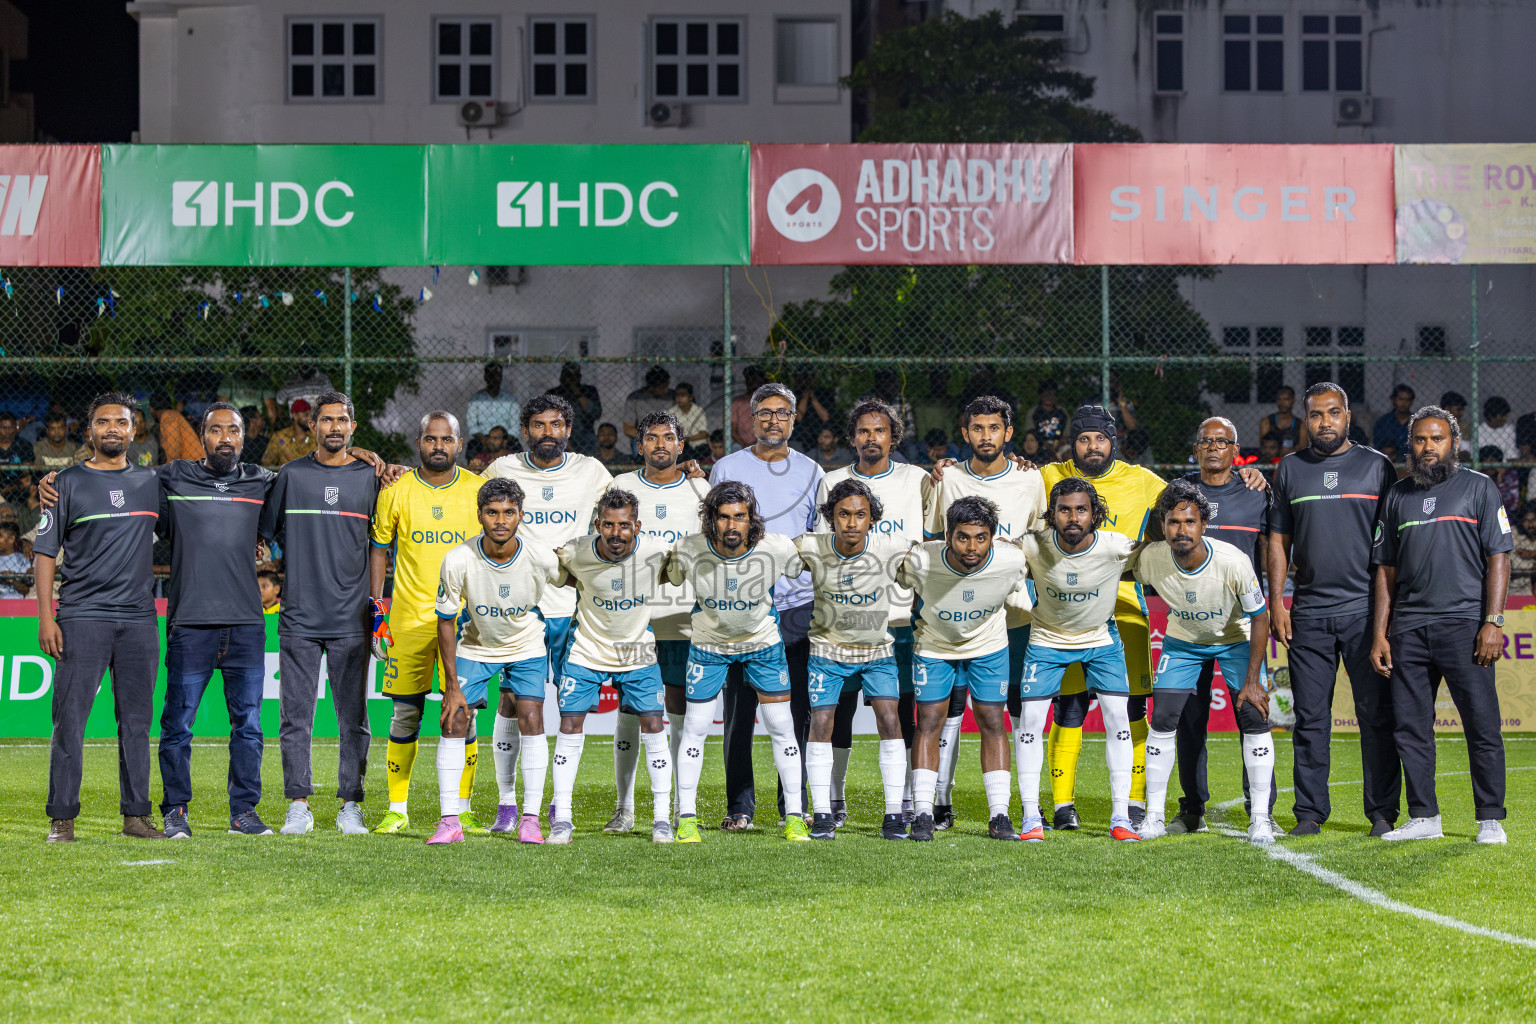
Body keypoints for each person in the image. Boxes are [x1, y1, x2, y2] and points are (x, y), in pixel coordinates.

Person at [1370, 406, 1512, 844]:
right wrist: (1380, 632)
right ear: (1409, 444)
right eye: (1419, 440)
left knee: (1481, 723)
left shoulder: (1479, 488)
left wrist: (1493, 621)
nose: (1427, 447)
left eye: (1437, 439)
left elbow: (1499, 556)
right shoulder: (1397, 495)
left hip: (1465, 625)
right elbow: (1385, 571)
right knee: (1411, 727)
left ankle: (1490, 818)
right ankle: (1424, 817)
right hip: (1409, 629)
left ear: (1454, 442)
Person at [1268, 381, 1401, 837]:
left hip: (1366, 612)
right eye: (1316, 415)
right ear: (1306, 420)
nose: (1324, 422)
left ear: (1348, 417)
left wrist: (1387, 616)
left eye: (1333, 413)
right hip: (1307, 613)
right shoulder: (1289, 469)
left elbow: (1392, 546)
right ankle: (1309, 813)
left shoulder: (1377, 467)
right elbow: (1278, 541)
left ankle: (1382, 814)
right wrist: (1278, 602)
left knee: (1376, 716)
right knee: (1309, 718)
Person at [149, 404, 284, 839]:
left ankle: (243, 812)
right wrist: (58, 477)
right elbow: (121, 478)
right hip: (190, 623)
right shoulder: (173, 477)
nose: (225, 437)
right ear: (202, 437)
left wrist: (368, 457)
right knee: (177, 724)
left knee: (248, 724)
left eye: (233, 430)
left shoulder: (262, 482)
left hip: (246, 623)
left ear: (244, 437)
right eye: (215, 430)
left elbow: (312, 478)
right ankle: (175, 811)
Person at [480, 395, 613, 830]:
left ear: (568, 430)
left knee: (570, 707)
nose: (548, 432)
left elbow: (623, 512)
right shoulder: (501, 470)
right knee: (512, 702)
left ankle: (560, 803)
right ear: (525, 430)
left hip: (576, 608)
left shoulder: (591, 471)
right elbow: (467, 496)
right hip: (521, 609)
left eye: (556, 425)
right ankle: (505, 804)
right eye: (539, 425)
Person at [37, 393, 163, 843]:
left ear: (134, 430)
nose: (113, 428)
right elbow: (46, 552)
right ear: (89, 430)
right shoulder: (64, 483)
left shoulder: (153, 482)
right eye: (103, 421)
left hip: (139, 620)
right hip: (81, 617)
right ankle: (62, 819)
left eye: (122, 422)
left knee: (135, 722)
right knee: (69, 718)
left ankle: (136, 817)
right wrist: (46, 616)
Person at [260, 391, 381, 837]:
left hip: (352, 619)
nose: (334, 427)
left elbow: (381, 543)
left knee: (353, 717)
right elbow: (264, 529)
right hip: (299, 618)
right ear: (312, 426)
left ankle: (351, 804)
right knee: (296, 716)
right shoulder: (291, 476)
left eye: (342, 420)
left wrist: (377, 606)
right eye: (326, 420)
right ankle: (298, 804)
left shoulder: (371, 477)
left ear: (353, 427)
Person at [924, 395, 1047, 829]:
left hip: (1013, 616)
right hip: (954, 616)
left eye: (994, 428)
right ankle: (940, 801)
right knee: (950, 711)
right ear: (965, 433)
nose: (986, 436)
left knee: (1013, 709)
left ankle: (1024, 803)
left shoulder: (1031, 481)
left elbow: (1038, 543)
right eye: (977, 428)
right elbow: (932, 540)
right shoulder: (949, 477)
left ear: (1008, 433)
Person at [1131, 480, 1276, 843]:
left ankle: (1260, 818)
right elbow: (1108, 567)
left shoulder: (1233, 561)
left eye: (1190, 522)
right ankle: (1154, 817)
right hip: (1183, 643)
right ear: (1163, 526)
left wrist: (1254, 681)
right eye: (1174, 522)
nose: (1182, 529)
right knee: (1164, 718)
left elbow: (1260, 616)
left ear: (1203, 524)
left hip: (1234, 639)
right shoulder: (1150, 558)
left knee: (1254, 715)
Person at [708, 383, 824, 830]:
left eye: (782, 413)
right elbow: (712, 531)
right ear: (750, 419)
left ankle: (791, 804)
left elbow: (816, 537)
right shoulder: (726, 467)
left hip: (796, 606)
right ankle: (740, 807)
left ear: (794, 419)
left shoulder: (813, 471)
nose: (772, 420)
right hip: (739, 606)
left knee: (796, 712)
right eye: (764, 413)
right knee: (738, 713)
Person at [667, 480, 810, 842]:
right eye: (724, 517)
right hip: (709, 647)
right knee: (695, 729)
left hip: (762, 644)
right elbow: (668, 573)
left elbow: (804, 562)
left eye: (740, 517)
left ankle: (794, 816)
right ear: (711, 519)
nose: (732, 526)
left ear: (752, 519)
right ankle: (686, 818)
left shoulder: (775, 548)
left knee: (781, 727)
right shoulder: (689, 549)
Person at [815, 400, 933, 828]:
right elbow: (819, 549)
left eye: (879, 431)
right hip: (841, 623)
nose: (871, 438)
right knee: (837, 712)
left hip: (900, 621)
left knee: (900, 712)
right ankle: (834, 799)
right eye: (863, 431)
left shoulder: (918, 479)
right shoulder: (831, 482)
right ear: (852, 438)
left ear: (893, 437)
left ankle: (901, 801)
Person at [368, 412, 484, 836]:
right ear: (418, 442)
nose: (439, 445)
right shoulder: (396, 490)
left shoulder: (476, 489)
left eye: (446, 439)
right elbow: (380, 549)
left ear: (459, 443)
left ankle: (463, 809)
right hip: (408, 620)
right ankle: (397, 809)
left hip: (464, 621)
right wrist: (377, 607)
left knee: (463, 715)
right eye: (431, 439)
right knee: (405, 715)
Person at [434, 478, 564, 845]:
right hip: (476, 646)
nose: (501, 520)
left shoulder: (540, 557)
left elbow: (573, 579)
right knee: (453, 719)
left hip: (526, 646)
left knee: (532, 718)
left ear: (521, 515)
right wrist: (452, 686)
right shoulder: (458, 559)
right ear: (480, 516)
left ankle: (531, 818)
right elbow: (444, 621)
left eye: (509, 512)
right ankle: (449, 821)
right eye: (492, 512)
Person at [1012, 479, 1141, 842]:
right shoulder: (1032, 544)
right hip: (1046, 640)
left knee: (1119, 718)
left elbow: (1159, 558)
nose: (1072, 517)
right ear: (1051, 514)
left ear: (1094, 513)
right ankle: (1030, 817)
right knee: (1031, 723)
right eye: (1064, 509)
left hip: (1101, 639)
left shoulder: (1117, 547)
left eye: (1081, 509)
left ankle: (1121, 816)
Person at [546, 489, 676, 844]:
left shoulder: (655, 553)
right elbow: (563, 576)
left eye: (624, 525)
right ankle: (563, 819)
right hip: (587, 649)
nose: (616, 533)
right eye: (608, 525)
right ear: (597, 525)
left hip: (637, 652)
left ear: (637, 526)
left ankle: (662, 819)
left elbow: (670, 574)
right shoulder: (575, 551)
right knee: (570, 724)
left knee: (652, 723)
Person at [899, 496, 1030, 841]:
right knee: (928, 722)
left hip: (989, 647)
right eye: (963, 537)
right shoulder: (921, 561)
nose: (972, 547)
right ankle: (923, 813)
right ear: (947, 534)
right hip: (934, 647)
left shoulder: (1011, 560)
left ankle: (999, 816)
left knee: (992, 722)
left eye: (981, 537)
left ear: (994, 536)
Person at [604, 411, 709, 834]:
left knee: (681, 708)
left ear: (682, 447)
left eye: (669, 438)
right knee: (631, 708)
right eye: (652, 438)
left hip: (686, 619)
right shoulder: (621, 487)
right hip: (635, 620)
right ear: (640, 444)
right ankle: (624, 807)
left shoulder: (701, 489)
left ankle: (684, 807)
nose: (660, 445)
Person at [1171, 417, 1275, 834]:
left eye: (1222, 441)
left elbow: (1272, 552)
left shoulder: (1257, 494)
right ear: (1195, 450)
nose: (1213, 447)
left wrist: (1277, 604)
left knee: (1253, 714)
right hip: (1190, 626)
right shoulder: (1177, 495)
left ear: (1236, 451)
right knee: (1188, 720)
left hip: (1242, 629)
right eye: (1205, 441)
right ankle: (1192, 809)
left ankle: (1260, 810)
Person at [800, 479, 914, 840]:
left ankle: (894, 814)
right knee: (821, 722)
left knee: (889, 720)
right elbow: (769, 555)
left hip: (877, 651)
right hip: (827, 651)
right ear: (830, 518)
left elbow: (931, 561)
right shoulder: (809, 547)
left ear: (872, 519)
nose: (852, 522)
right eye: (844, 514)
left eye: (860, 515)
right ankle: (821, 814)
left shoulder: (893, 548)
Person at [465, 362, 521, 460]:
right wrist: (484, 439)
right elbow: (472, 425)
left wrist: (504, 441)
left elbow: (515, 426)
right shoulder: (476, 399)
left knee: (517, 449)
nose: (494, 378)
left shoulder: (510, 399)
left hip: (505, 438)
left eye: (497, 375)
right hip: (483, 437)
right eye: (490, 375)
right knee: (472, 448)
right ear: (485, 377)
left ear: (501, 377)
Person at [546, 362, 602, 455]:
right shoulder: (553, 393)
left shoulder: (588, 390)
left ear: (579, 377)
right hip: (559, 434)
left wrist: (578, 394)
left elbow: (596, 413)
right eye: (567, 376)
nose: (570, 379)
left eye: (573, 376)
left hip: (585, 435)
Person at [621, 365, 674, 453]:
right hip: (645, 436)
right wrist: (649, 436)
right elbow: (628, 428)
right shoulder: (635, 398)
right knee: (638, 443)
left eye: (667, 386)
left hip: (668, 435)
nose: (666, 390)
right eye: (662, 387)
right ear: (652, 387)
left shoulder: (673, 396)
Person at [262, 399, 318, 469]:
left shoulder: (317, 438)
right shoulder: (280, 437)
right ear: (294, 415)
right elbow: (266, 462)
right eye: (306, 414)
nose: (310, 418)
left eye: (311, 415)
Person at [152, 394, 202, 464]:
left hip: (194, 463)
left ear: (151, 409)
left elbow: (174, 447)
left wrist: (169, 467)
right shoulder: (171, 415)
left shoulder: (168, 415)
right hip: (191, 463)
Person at [1372, 385, 1416, 462]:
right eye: (1400, 399)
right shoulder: (1383, 422)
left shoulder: (1417, 422)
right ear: (1393, 399)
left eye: (1407, 400)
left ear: (1411, 402)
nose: (1403, 403)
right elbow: (1377, 447)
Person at [1257, 385, 1306, 454]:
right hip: (1270, 461)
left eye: (1286, 399)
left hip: (1292, 461)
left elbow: (1303, 448)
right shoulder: (1267, 421)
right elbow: (1263, 446)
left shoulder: (1300, 425)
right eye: (1279, 399)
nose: (1282, 403)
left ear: (1293, 401)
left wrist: (1290, 452)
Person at [729, 366, 768, 449]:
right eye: (750, 380)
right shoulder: (737, 403)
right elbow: (732, 430)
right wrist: (744, 444)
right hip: (741, 443)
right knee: (735, 448)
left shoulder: (768, 403)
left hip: (763, 443)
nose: (753, 383)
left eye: (756, 380)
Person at [668, 382, 709, 454]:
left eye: (683, 395)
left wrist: (688, 439)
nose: (679, 398)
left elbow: (703, 433)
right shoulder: (671, 412)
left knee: (703, 449)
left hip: (698, 444)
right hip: (680, 445)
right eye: (677, 395)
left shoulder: (698, 410)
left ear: (690, 397)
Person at [1027, 380, 1068, 446]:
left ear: (1056, 397)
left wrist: (1057, 444)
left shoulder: (1062, 412)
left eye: (1052, 394)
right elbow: (1030, 433)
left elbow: (1067, 434)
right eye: (1046, 394)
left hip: (1059, 444)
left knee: (1067, 451)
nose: (1049, 397)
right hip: (1039, 445)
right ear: (1040, 396)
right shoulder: (1033, 412)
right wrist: (1043, 444)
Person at [0, 411, 34, 482]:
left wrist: (10, 489)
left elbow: (27, 477)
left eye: (11, 427)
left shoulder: (24, 445)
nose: (8, 431)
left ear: (16, 428)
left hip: (18, 487)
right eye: (4, 428)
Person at [1511, 502, 1536, 596]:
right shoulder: (1514, 533)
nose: (1530, 525)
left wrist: (1532, 554)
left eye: (1533, 520)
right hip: (1515, 588)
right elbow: (1515, 562)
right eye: (1526, 521)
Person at [0, 522, 28, 598]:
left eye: (0, 536)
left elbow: (26, 590)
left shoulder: (22, 560)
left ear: (11, 539)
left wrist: (13, 580)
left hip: (16, 603)